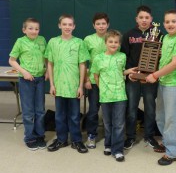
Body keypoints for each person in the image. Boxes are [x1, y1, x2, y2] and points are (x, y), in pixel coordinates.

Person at [146, 9, 176, 166]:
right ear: (163, 24)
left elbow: (175, 63)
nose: (170, 24)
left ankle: (172, 152)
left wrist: (155, 75)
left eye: (173, 21)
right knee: (161, 115)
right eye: (167, 22)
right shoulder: (165, 37)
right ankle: (167, 141)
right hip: (164, 82)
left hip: (175, 84)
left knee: (172, 118)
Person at [46, 14, 90, 154]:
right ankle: (61, 139)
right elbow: (50, 64)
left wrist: (80, 86)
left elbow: (82, 64)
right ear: (59, 25)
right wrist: (52, 85)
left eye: (70, 24)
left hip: (73, 86)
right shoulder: (53, 42)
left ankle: (77, 140)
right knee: (59, 115)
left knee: (74, 115)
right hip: (59, 86)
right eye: (64, 24)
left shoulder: (79, 43)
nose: (67, 27)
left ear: (74, 26)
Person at [91, 29, 137, 162]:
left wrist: (129, 71)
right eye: (110, 42)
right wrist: (103, 88)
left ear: (119, 44)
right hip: (105, 96)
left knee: (119, 123)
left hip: (119, 95)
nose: (113, 44)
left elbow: (121, 72)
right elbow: (95, 75)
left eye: (116, 42)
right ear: (105, 43)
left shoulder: (122, 56)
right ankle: (108, 145)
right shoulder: (98, 58)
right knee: (107, 122)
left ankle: (118, 150)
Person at [121, 5, 162, 150]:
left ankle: (149, 136)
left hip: (150, 78)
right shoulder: (128, 35)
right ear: (136, 19)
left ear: (151, 19)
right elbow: (123, 56)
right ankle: (130, 136)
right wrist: (129, 72)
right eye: (141, 17)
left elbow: (162, 57)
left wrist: (155, 74)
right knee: (131, 109)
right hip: (133, 78)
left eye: (147, 18)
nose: (144, 20)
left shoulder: (158, 34)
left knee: (150, 109)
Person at [9, 18, 47, 150]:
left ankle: (40, 135)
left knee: (40, 110)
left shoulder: (42, 40)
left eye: (36, 29)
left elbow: (46, 57)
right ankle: (30, 137)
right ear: (24, 30)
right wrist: (24, 72)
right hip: (26, 80)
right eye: (30, 28)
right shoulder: (20, 42)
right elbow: (12, 60)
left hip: (40, 79)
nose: (34, 31)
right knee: (28, 111)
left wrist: (47, 70)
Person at [84, 12, 109, 149]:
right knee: (93, 110)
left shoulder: (112, 38)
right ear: (94, 25)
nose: (101, 26)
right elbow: (84, 61)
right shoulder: (88, 39)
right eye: (98, 24)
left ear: (108, 25)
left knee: (108, 110)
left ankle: (109, 135)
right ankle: (91, 135)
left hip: (109, 81)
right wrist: (86, 79)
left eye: (103, 23)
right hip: (93, 81)